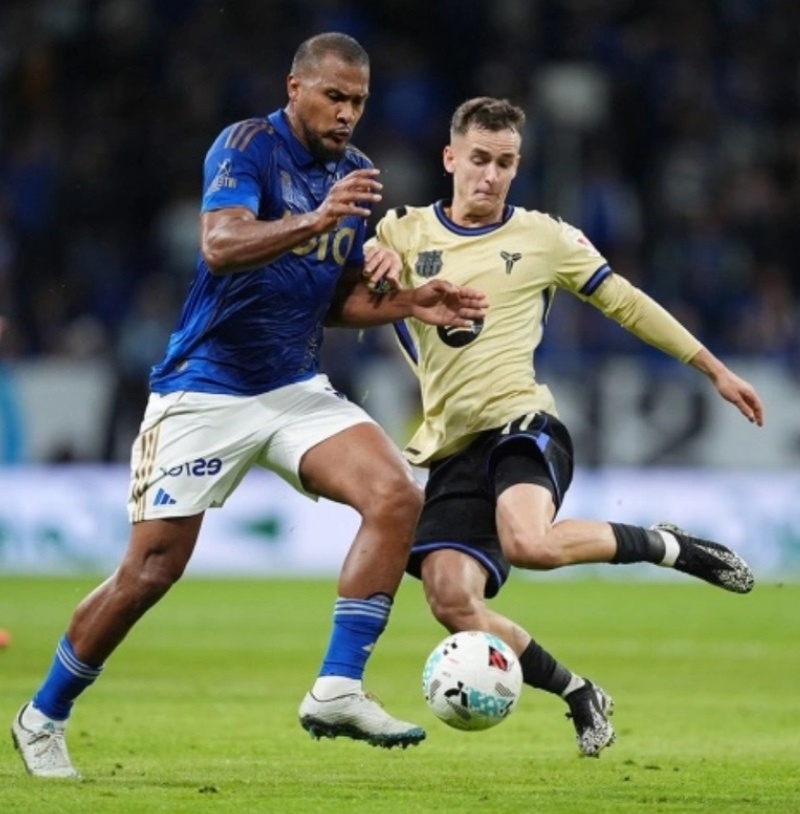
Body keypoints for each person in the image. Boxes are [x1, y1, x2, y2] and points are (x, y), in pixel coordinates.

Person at [10, 33, 489, 779]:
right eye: (334, 96)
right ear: (296, 88)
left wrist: (409, 301)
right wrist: (319, 219)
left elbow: (332, 298)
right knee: (150, 572)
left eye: (359, 101)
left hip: (292, 387)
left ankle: (337, 687)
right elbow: (221, 245)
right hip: (204, 388)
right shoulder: (247, 147)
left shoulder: (354, 174)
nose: (347, 113)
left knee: (396, 494)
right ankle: (43, 715)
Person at [361, 97, 764, 758]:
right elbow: (354, 282)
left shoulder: (545, 238)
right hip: (451, 447)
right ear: (450, 158)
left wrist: (713, 369)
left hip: (523, 423)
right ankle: (578, 692)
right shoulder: (403, 232)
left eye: (505, 163)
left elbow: (625, 302)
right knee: (451, 601)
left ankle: (666, 545)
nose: (491, 175)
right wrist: (369, 264)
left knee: (530, 544)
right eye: (479, 160)